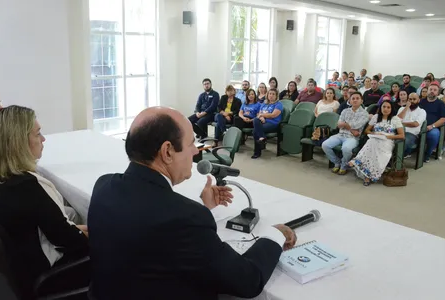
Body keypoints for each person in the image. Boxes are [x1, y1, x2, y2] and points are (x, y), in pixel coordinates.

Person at [88, 106, 297, 300]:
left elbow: (150, 236)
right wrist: (274, 235)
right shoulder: (185, 218)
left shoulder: (104, 186)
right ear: (167, 151)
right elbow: (247, 280)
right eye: (190, 144)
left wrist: (203, 207)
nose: (196, 152)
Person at [0, 106, 89, 298]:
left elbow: (49, 229)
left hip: (18, 273)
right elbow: (71, 242)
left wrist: (79, 229)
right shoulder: (29, 186)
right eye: (38, 134)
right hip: (48, 277)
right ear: (18, 143)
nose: (43, 139)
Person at [349, 102, 404, 186]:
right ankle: (366, 175)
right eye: (384, 107)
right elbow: (367, 130)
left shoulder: (395, 119)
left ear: (391, 109)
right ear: (381, 108)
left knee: (373, 146)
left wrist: (386, 136)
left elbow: (402, 135)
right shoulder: (376, 117)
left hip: (387, 141)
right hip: (375, 139)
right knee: (372, 142)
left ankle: (357, 162)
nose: (385, 109)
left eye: (388, 107)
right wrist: (374, 134)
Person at [322, 92, 369, 175]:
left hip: (353, 138)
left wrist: (345, 124)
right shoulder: (345, 111)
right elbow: (339, 124)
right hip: (341, 134)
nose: (355, 100)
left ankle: (344, 165)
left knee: (346, 149)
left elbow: (357, 125)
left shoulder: (365, 113)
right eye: (353, 99)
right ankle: (337, 162)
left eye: (357, 98)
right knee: (325, 145)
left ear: (361, 101)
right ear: (349, 101)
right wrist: (350, 128)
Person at [419, 84, 445, 162]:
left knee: (434, 134)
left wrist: (432, 126)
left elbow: (443, 119)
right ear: (427, 91)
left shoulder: (441, 104)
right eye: (430, 89)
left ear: (438, 93)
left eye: (435, 90)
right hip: (419, 125)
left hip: (432, 127)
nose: (432, 91)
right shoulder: (421, 101)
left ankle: (427, 154)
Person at [252, 89, 283, 159]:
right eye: (270, 94)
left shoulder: (278, 104)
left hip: (273, 123)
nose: (271, 95)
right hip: (263, 122)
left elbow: (273, 115)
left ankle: (257, 152)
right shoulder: (264, 103)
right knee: (256, 120)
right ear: (267, 95)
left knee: (255, 131)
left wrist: (262, 116)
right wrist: (261, 117)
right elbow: (259, 114)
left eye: (273, 94)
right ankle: (262, 138)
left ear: (276, 96)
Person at [397, 93, 426, 158]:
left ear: (418, 100)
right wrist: (406, 107)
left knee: (402, 141)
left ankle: (395, 161)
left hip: (411, 134)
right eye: (410, 99)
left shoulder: (422, 111)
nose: (412, 101)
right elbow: (397, 120)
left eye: (414, 99)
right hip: (398, 131)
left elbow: (415, 124)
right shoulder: (402, 109)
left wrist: (401, 124)